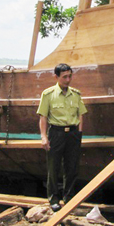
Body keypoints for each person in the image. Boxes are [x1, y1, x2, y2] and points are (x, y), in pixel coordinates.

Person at [37, 63, 87, 211]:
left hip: (72, 134)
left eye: (70, 76)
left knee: (72, 167)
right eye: (64, 77)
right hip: (56, 133)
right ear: (56, 77)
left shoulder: (76, 94)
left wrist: (79, 133)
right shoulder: (48, 94)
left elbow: (80, 114)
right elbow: (43, 117)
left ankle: (69, 198)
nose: (68, 79)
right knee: (53, 167)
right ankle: (53, 198)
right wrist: (44, 137)